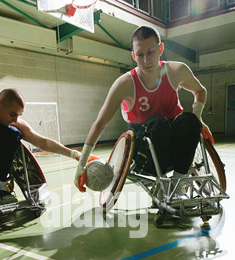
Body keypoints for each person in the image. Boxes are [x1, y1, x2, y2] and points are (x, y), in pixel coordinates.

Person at [74, 25, 213, 193]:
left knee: (190, 120)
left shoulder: (176, 71)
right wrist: (81, 164)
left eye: (151, 52)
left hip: (175, 150)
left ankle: (177, 182)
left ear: (160, 49)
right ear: (133, 56)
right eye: (140, 55)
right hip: (144, 154)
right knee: (158, 123)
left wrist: (199, 118)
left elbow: (200, 91)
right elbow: (100, 123)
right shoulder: (124, 84)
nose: (146, 60)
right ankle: (165, 184)